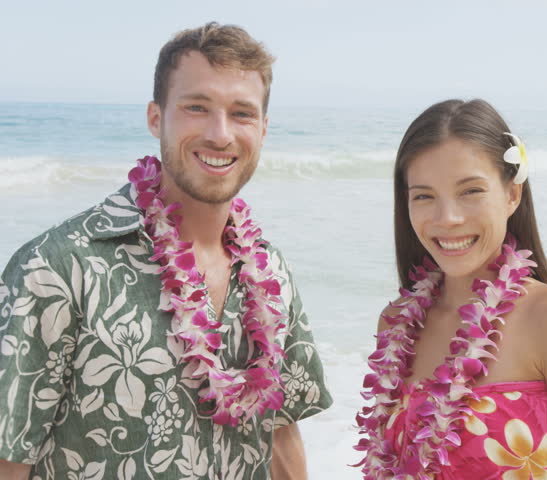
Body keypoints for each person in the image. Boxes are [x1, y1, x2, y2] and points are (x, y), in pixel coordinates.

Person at [0, 22, 331, 480]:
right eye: (197, 107)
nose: (220, 134)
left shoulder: (270, 271)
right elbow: (9, 453)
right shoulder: (57, 267)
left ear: (264, 128)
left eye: (241, 113)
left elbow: (280, 433)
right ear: (156, 117)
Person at [355, 99, 547, 479]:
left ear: (512, 195)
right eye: (424, 196)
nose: (448, 219)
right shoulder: (396, 324)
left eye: (470, 191)